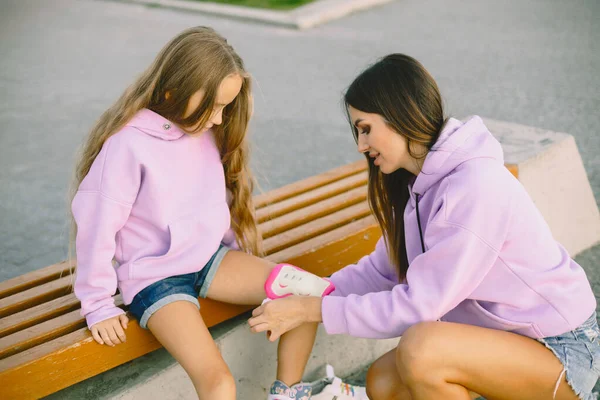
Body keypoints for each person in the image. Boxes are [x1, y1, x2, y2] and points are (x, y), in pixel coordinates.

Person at [248, 54, 600, 400]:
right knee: (384, 382)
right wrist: (317, 291)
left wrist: (312, 311)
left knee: (421, 349)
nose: (361, 145)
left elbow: (420, 307)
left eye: (366, 129)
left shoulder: (474, 186)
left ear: (399, 114)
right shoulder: (420, 187)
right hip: (510, 337)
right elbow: (382, 271)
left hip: (561, 349)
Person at [70, 26, 321, 400]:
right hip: (157, 278)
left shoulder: (203, 132)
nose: (219, 119)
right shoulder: (127, 145)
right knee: (219, 383)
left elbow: (207, 202)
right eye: (215, 106)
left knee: (308, 290)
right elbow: (96, 228)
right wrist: (98, 304)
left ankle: (288, 393)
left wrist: (237, 252)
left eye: (225, 107)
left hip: (209, 260)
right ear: (175, 90)